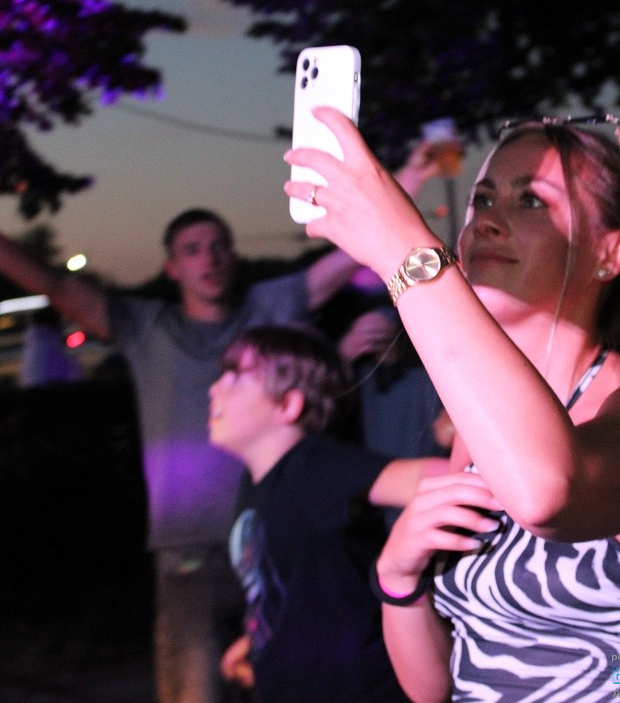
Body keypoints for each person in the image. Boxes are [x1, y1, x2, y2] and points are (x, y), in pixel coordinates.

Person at [283, 109, 620, 701]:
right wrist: (398, 577)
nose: (488, 220)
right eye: (482, 200)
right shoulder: (479, 425)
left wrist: (404, 251)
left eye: (531, 202)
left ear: (610, 252)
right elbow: (434, 687)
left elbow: (548, 492)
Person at [0, 150, 436, 703]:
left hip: (282, 537)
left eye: (219, 246)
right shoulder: (145, 327)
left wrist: (414, 174)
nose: (210, 257)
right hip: (193, 554)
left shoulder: (270, 307)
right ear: (172, 267)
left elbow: (348, 255)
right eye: (192, 250)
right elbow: (55, 286)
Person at [208, 324, 408, 702]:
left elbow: (428, 480)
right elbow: (290, 590)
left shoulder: (314, 467)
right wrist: (258, 640)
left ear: (288, 405)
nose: (214, 387)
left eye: (235, 376)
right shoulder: (255, 484)